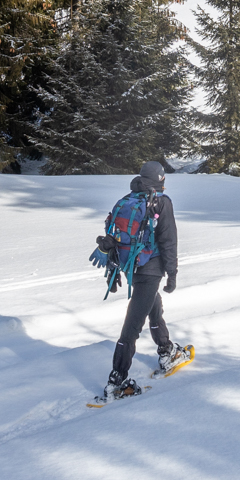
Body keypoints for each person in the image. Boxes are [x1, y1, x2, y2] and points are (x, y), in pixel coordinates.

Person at [102, 160, 188, 400]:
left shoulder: (127, 199)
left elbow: (114, 235)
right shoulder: (161, 202)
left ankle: (166, 351)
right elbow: (168, 241)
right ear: (160, 179)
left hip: (131, 267)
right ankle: (117, 380)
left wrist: (113, 267)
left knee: (153, 306)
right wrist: (172, 272)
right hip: (151, 269)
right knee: (132, 325)